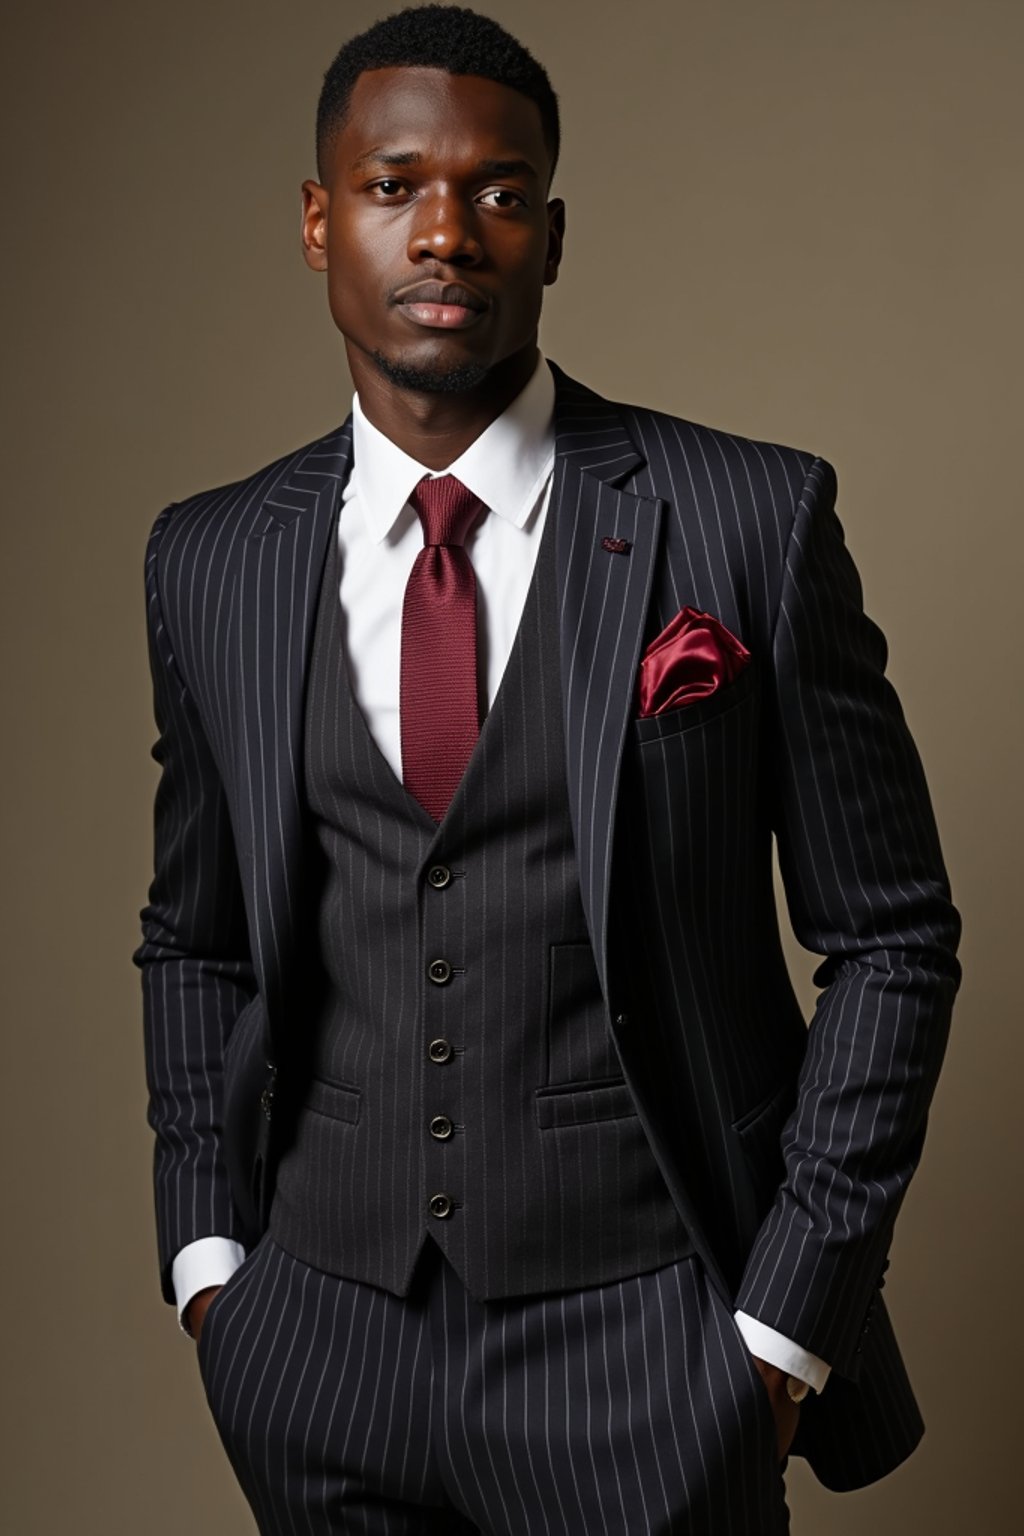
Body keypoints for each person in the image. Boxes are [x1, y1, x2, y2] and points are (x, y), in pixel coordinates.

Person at [134, 7, 961, 1532]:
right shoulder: (212, 560)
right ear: (319, 222)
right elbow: (191, 935)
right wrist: (210, 1274)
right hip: (318, 1351)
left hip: (647, 1354)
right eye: (394, 187)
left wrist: (781, 1334)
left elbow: (897, 939)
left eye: (498, 193)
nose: (445, 232)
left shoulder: (745, 519)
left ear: (554, 235)